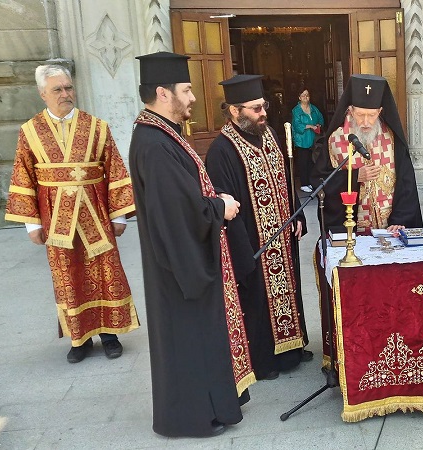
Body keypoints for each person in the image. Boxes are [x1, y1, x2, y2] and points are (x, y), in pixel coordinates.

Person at [128, 52, 254, 437]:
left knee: (196, 337)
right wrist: (221, 206)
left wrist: (213, 204)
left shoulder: (162, 133)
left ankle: (212, 404)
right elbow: (177, 211)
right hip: (178, 266)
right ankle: (192, 416)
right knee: (188, 339)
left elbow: (183, 196)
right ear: (164, 93)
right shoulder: (153, 142)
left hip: (182, 257)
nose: (193, 98)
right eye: (186, 90)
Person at [5, 64, 139, 363]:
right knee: (67, 277)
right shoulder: (30, 131)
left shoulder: (96, 126)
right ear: (43, 94)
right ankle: (79, 338)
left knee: (106, 272)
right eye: (57, 89)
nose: (65, 94)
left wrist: (119, 216)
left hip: (96, 217)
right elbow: (23, 176)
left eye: (68, 87)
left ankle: (109, 334)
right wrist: (31, 224)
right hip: (55, 220)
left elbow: (114, 169)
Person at [206, 74, 312, 381]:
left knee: (289, 291)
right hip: (253, 242)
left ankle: (292, 348)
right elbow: (226, 206)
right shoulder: (222, 151)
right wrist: (242, 249)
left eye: (262, 106)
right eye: (255, 109)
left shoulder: (270, 135)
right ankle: (264, 360)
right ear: (235, 111)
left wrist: (297, 215)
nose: (263, 112)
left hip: (283, 233)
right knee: (256, 301)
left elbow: (287, 177)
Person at [312, 74, 422, 233]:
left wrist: (401, 218)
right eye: (360, 114)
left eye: (371, 115)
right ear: (350, 110)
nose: (365, 122)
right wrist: (355, 176)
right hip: (352, 228)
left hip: (391, 227)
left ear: (380, 111)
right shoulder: (335, 139)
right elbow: (320, 181)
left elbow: (407, 181)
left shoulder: (392, 137)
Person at [291, 88, 324, 193]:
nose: (306, 97)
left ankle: (311, 182)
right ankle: (304, 183)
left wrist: (318, 124)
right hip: (302, 140)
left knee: (312, 161)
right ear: (299, 97)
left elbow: (320, 118)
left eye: (307, 95)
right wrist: (310, 126)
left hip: (313, 139)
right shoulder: (296, 110)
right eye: (303, 95)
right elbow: (296, 125)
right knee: (303, 162)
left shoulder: (314, 108)